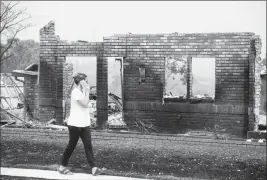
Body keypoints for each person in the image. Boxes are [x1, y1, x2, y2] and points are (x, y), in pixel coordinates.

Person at [58, 73, 105, 176]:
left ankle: (94, 168)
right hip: (75, 124)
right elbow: (84, 103)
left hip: (84, 124)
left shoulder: (82, 92)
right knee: (71, 146)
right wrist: (87, 91)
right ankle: (62, 166)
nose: (87, 82)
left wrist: (86, 91)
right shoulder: (75, 92)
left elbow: (85, 104)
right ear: (81, 81)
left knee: (88, 146)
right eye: (86, 80)